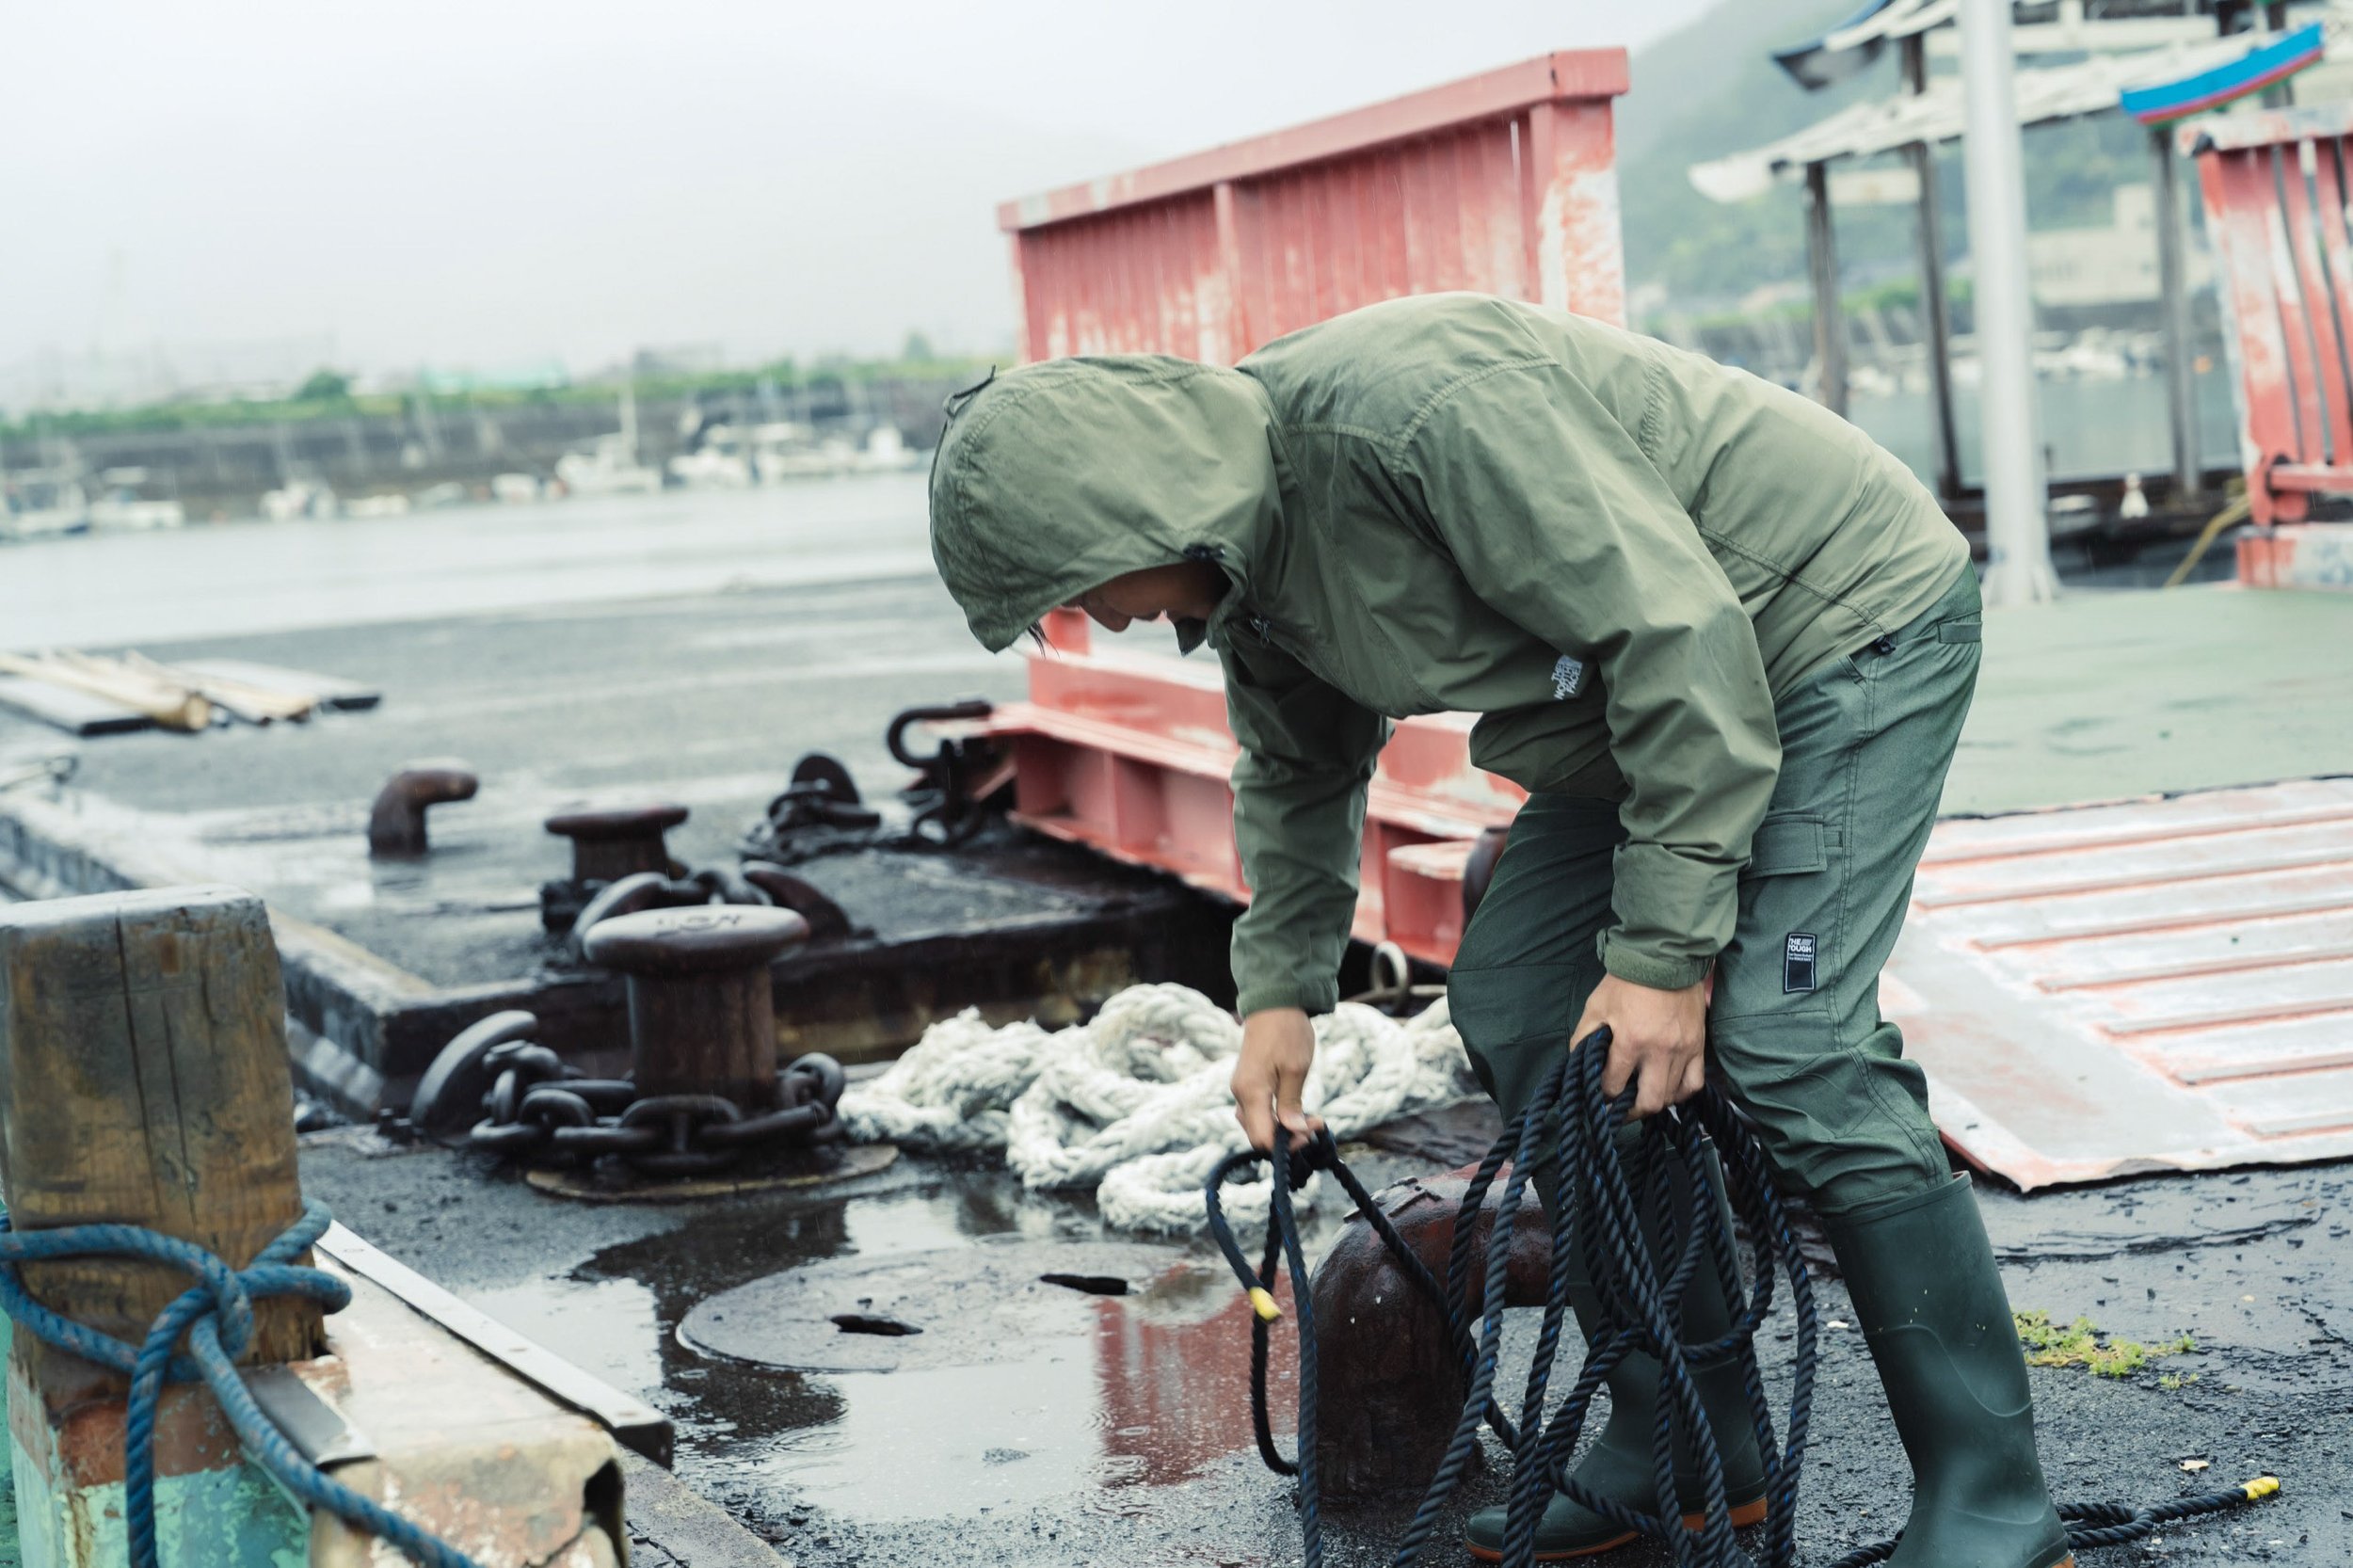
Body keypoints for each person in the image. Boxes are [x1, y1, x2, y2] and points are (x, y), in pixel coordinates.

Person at [926, 293, 2071, 1568]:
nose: (1104, 616)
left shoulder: (1422, 415)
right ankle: (1691, 1439)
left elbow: (1680, 635)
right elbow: (1298, 768)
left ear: (1141, 506)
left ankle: (1993, 1501)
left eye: (1083, 584)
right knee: (1527, 1006)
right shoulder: (1244, 555)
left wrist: (1662, 956)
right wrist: (1280, 996)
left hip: (1830, 630)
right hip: (1643, 705)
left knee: (1794, 1041)